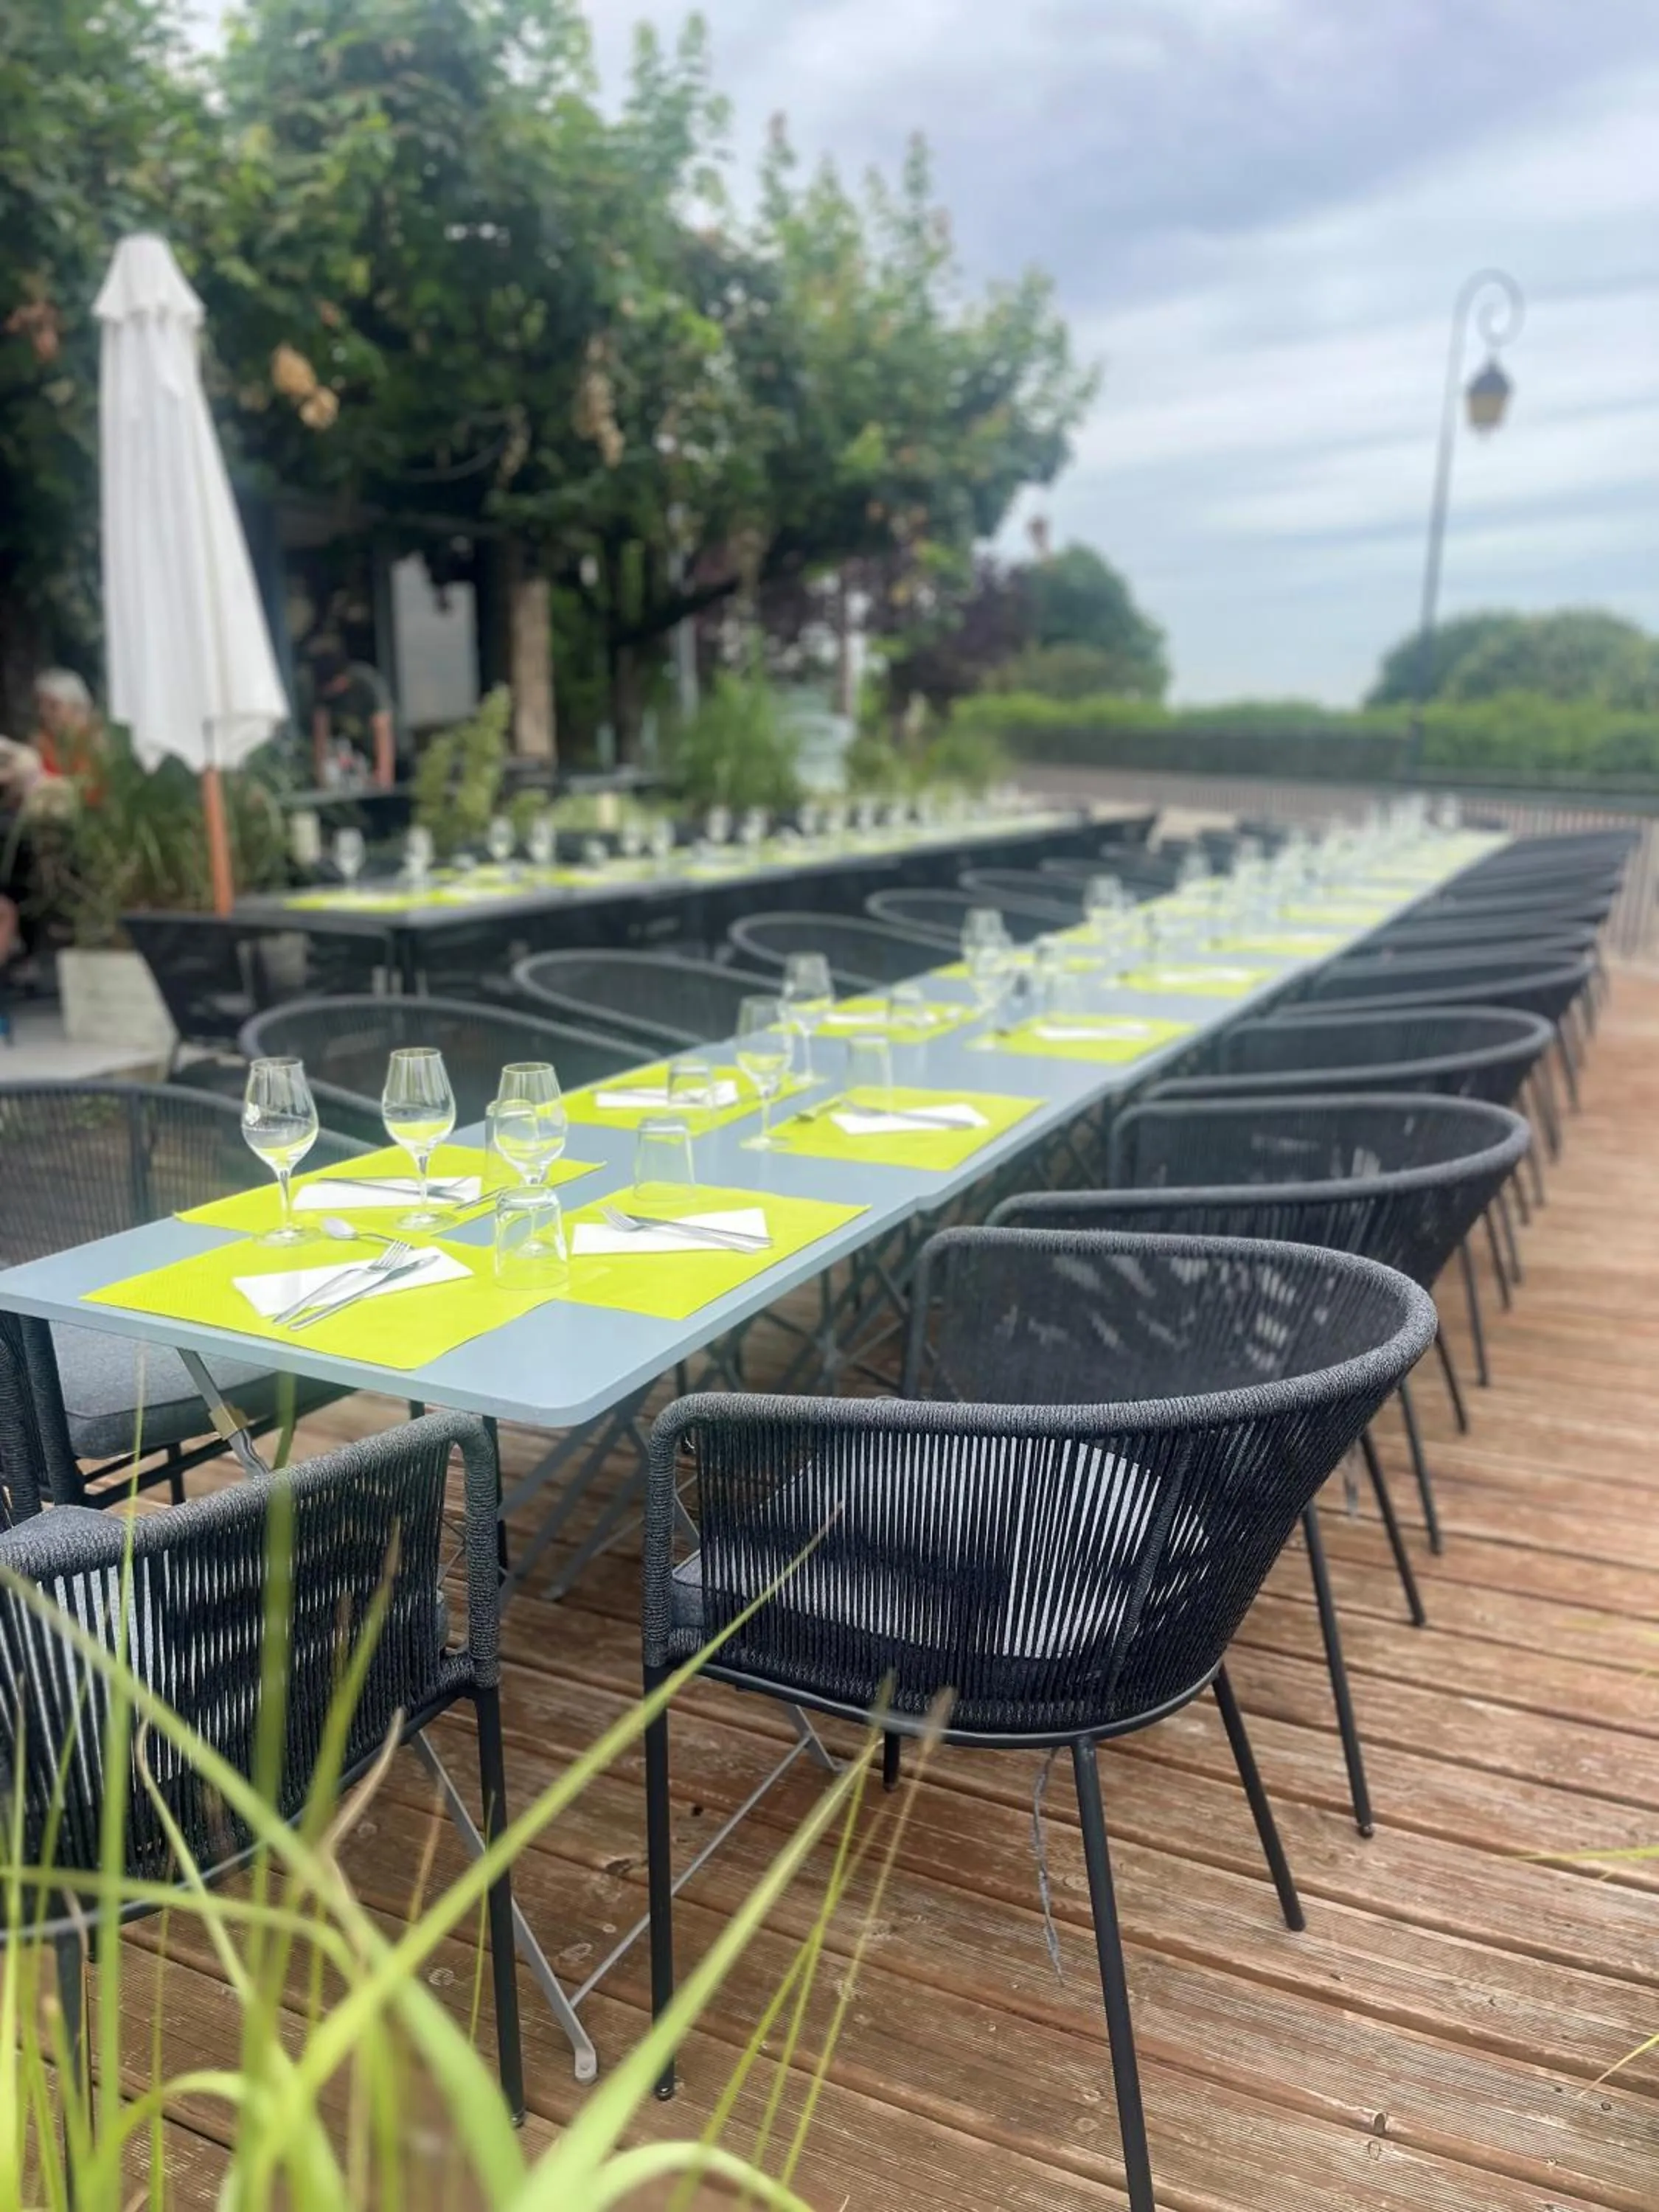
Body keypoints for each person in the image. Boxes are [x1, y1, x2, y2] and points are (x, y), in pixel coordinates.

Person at [307, 646, 397, 789]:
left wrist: (384, 773)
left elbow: (382, 729)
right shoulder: (324, 694)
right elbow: (320, 733)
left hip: (387, 753)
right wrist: (320, 776)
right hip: (357, 758)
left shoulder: (367, 683)